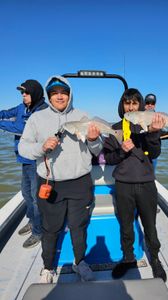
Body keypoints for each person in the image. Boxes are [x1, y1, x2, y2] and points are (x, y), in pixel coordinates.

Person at [18, 76, 103, 283]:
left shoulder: (83, 116)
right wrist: (41, 147)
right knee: (50, 227)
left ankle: (79, 262)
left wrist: (93, 140)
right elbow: (23, 148)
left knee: (79, 226)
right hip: (50, 183)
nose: (59, 96)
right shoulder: (37, 119)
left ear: (70, 94)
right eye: (54, 92)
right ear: (48, 95)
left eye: (63, 92)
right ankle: (48, 267)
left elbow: (97, 149)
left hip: (80, 182)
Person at [103, 88, 167, 282]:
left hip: (147, 183)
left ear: (140, 105)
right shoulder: (114, 128)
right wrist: (122, 151)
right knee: (125, 224)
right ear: (122, 106)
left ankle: (155, 259)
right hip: (123, 184)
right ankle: (128, 257)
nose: (130, 107)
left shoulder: (147, 126)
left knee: (150, 224)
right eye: (127, 103)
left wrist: (153, 134)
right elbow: (109, 158)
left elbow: (154, 154)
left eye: (134, 103)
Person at [0, 80, 48, 248]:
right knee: (26, 194)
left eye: (25, 93)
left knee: (36, 198)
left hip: (37, 161)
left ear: (34, 93)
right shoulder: (22, 107)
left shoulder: (42, 111)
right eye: (22, 93)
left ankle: (38, 231)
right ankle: (32, 220)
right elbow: (7, 113)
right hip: (24, 159)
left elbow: (19, 127)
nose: (23, 96)